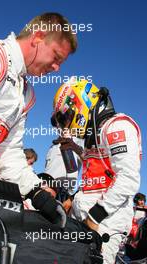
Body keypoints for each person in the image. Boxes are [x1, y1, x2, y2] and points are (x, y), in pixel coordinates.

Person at [0, 13, 77, 261]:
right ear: (38, 37)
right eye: (56, 57)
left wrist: (37, 193)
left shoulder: (25, 94)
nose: (56, 68)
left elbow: (8, 155)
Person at [45, 77, 142, 264]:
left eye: (66, 118)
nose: (67, 125)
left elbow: (128, 178)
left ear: (83, 102)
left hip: (104, 222)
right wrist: (74, 148)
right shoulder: (95, 135)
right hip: (85, 217)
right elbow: (98, 167)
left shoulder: (117, 126)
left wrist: (95, 216)